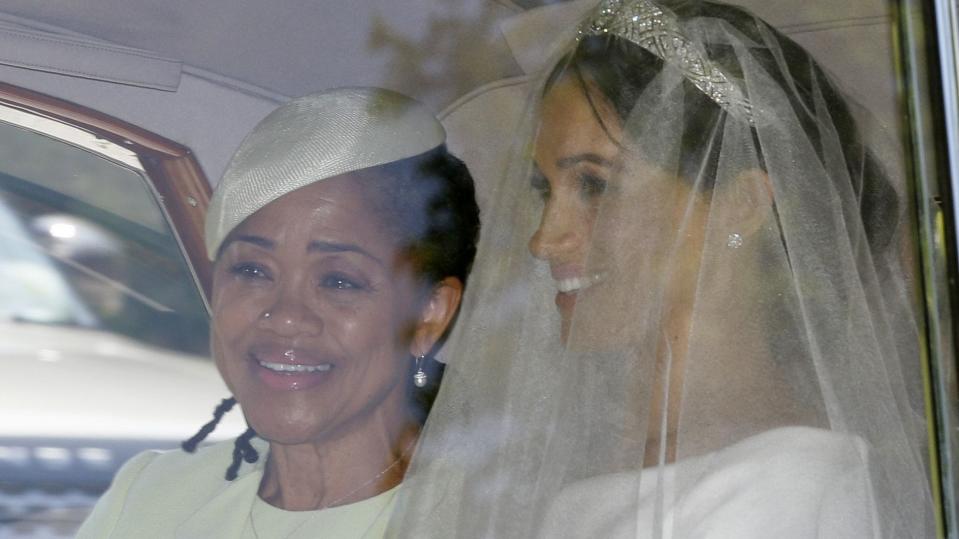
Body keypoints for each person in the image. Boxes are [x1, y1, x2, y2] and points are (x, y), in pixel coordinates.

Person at [388, 1, 934, 537]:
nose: (543, 240)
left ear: (742, 205)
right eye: (545, 190)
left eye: (595, 185)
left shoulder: (781, 487)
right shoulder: (577, 452)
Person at [76, 87, 480, 538]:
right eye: (252, 270)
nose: (286, 318)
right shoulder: (151, 497)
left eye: (339, 280)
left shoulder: (488, 519)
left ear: (431, 313)